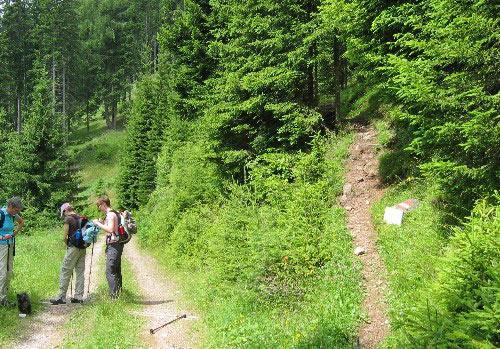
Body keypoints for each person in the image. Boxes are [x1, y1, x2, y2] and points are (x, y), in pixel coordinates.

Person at [50, 203, 86, 305]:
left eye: (63, 213)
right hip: (82, 248)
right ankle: (78, 296)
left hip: (73, 248)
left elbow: (64, 237)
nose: (64, 215)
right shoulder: (81, 217)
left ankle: (61, 296)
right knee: (80, 271)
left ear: (66, 210)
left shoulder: (68, 219)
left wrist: (68, 245)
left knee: (65, 270)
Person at [93, 196, 123, 298]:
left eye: (99, 206)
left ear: (104, 204)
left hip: (114, 245)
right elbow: (114, 227)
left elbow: (110, 229)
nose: (99, 208)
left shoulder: (110, 215)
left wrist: (97, 224)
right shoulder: (115, 212)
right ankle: (118, 293)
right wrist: (102, 223)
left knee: (110, 270)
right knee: (116, 269)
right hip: (118, 243)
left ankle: (113, 297)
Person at [0, 196, 24, 307]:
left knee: (9, 272)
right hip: (1, 246)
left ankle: (4, 299)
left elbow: (21, 222)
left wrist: (15, 233)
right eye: (16, 210)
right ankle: (1, 299)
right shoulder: (2, 214)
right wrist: (2, 237)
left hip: (10, 245)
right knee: (2, 273)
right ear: (10, 206)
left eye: (18, 211)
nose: (17, 212)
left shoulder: (13, 215)